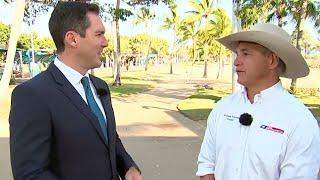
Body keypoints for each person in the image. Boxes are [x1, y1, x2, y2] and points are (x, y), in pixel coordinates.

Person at [9, 2, 142, 180]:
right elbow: (31, 174)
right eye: (99, 34)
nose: (105, 42)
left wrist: (128, 166)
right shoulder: (32, 95)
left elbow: (109, 138)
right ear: (72, 39)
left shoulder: (100, 86)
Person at [196, 23, 320, 180]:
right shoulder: (222, 108)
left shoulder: (299, 121)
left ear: (272, 61)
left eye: (246, 54)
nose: (236, 62)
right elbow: (206, 165)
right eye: (237, 54)